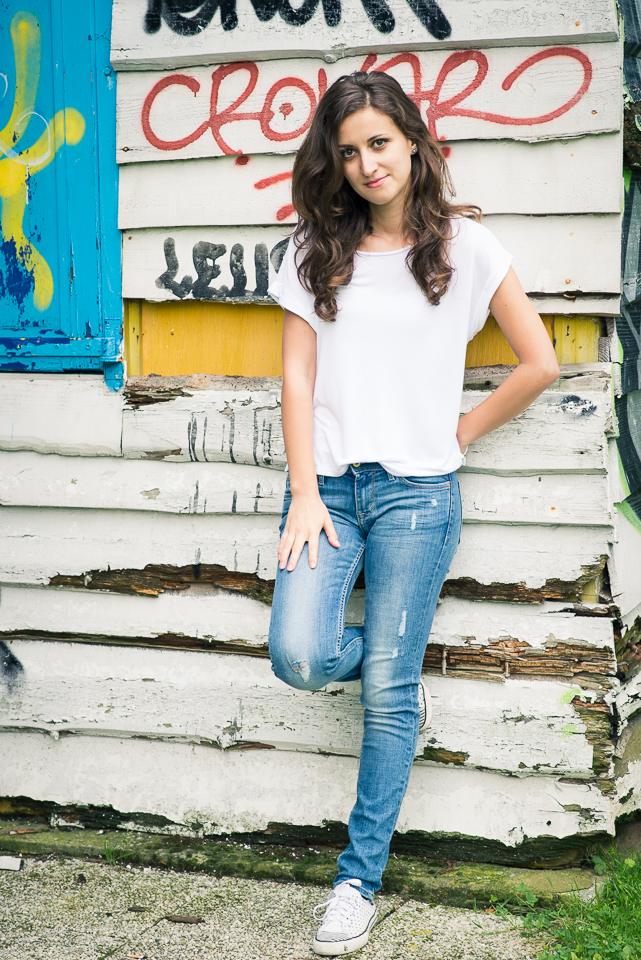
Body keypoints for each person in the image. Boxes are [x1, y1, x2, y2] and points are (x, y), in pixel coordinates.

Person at [267, 70, 559, 956]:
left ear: (414, 142)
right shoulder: (313, 247)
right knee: (304, 656)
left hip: (416, 493)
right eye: (347, 151)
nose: (364, 164)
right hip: (328, 489)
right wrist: (305, 494)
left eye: (379, 144)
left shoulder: (466, 247)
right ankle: (393, 682)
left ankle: (356, 882)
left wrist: (454, 434)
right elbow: (296, 376)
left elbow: (537, 362)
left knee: (385, 695)